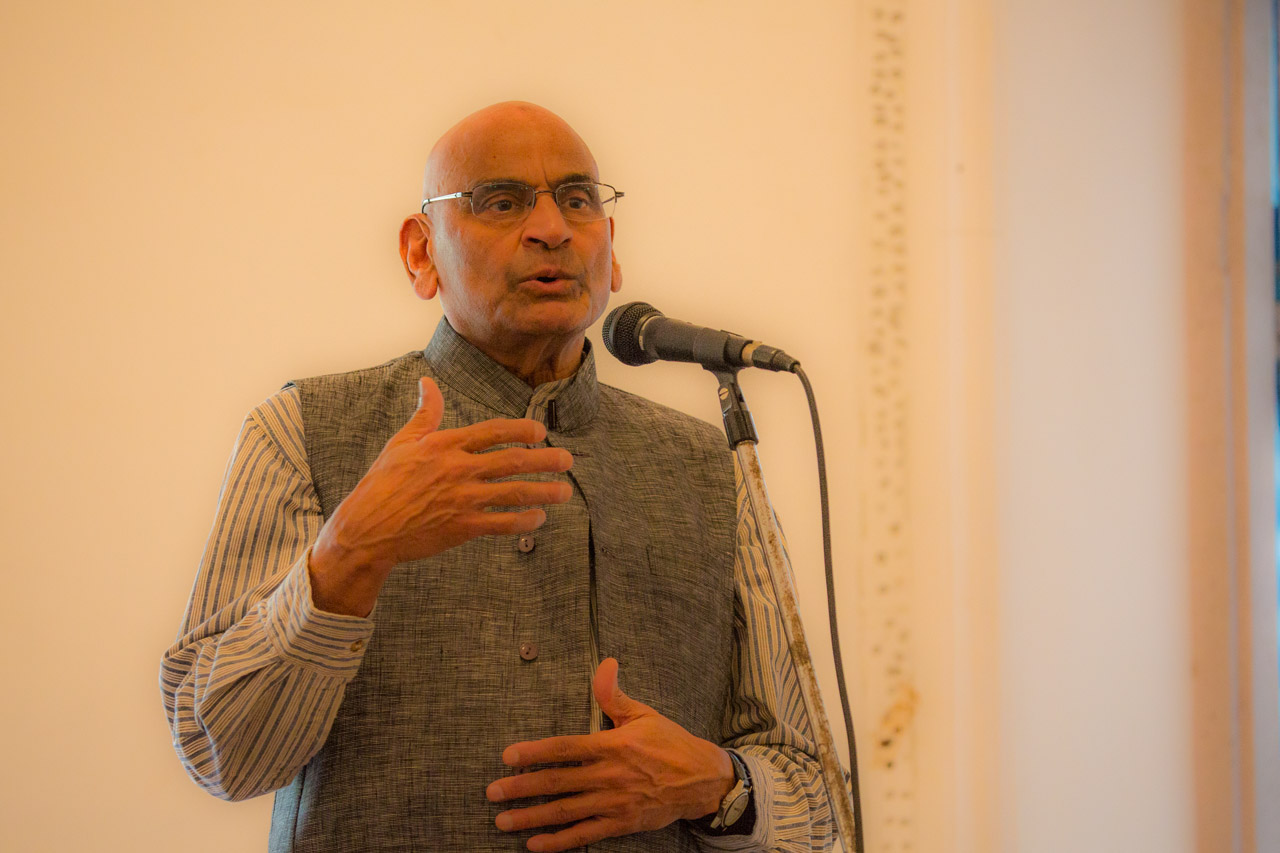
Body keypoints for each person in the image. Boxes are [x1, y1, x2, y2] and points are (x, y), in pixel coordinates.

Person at [160, 101, 833, 852]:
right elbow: (221, 754)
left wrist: (720, 787)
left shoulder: (708, 467)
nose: (552, 228)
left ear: (612, 250)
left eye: (577, 199)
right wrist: (347, 554)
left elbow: (819, 801)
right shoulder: (302, 431)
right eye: (501, 201)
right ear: (420, 254)